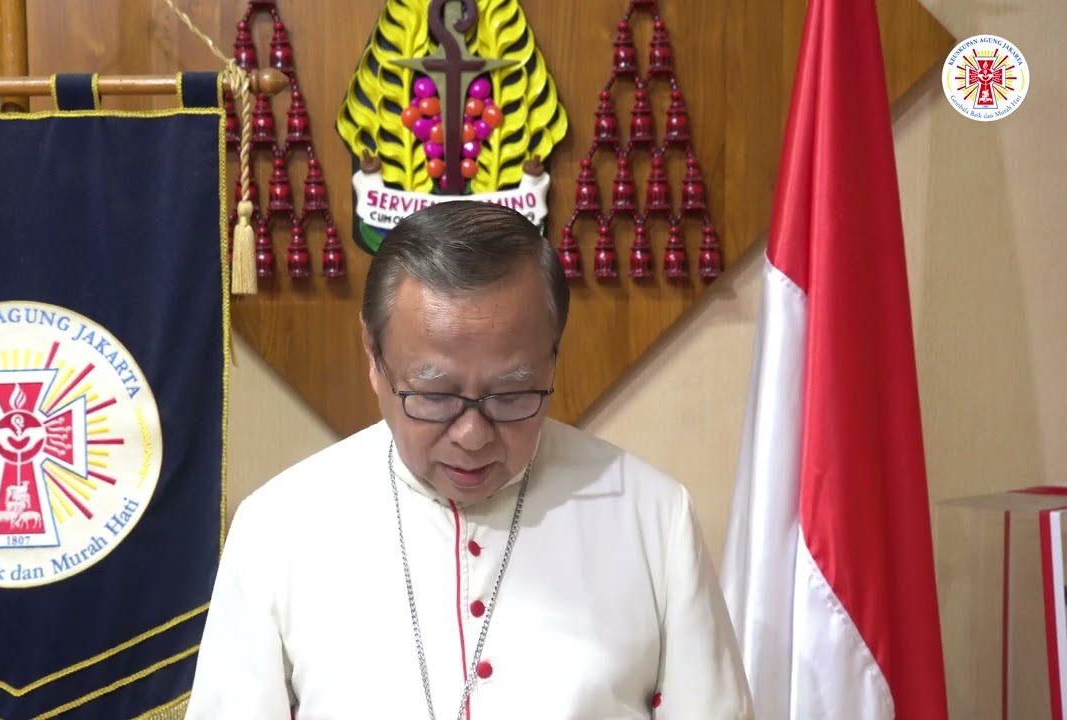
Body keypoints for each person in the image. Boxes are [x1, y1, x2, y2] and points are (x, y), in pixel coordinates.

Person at [185, 201, 753, 719]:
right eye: (434, 396)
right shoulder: (278, 528)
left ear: (553, 359)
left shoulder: (652, 517)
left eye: (512, 394)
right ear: (374, 358)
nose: (473, 435)